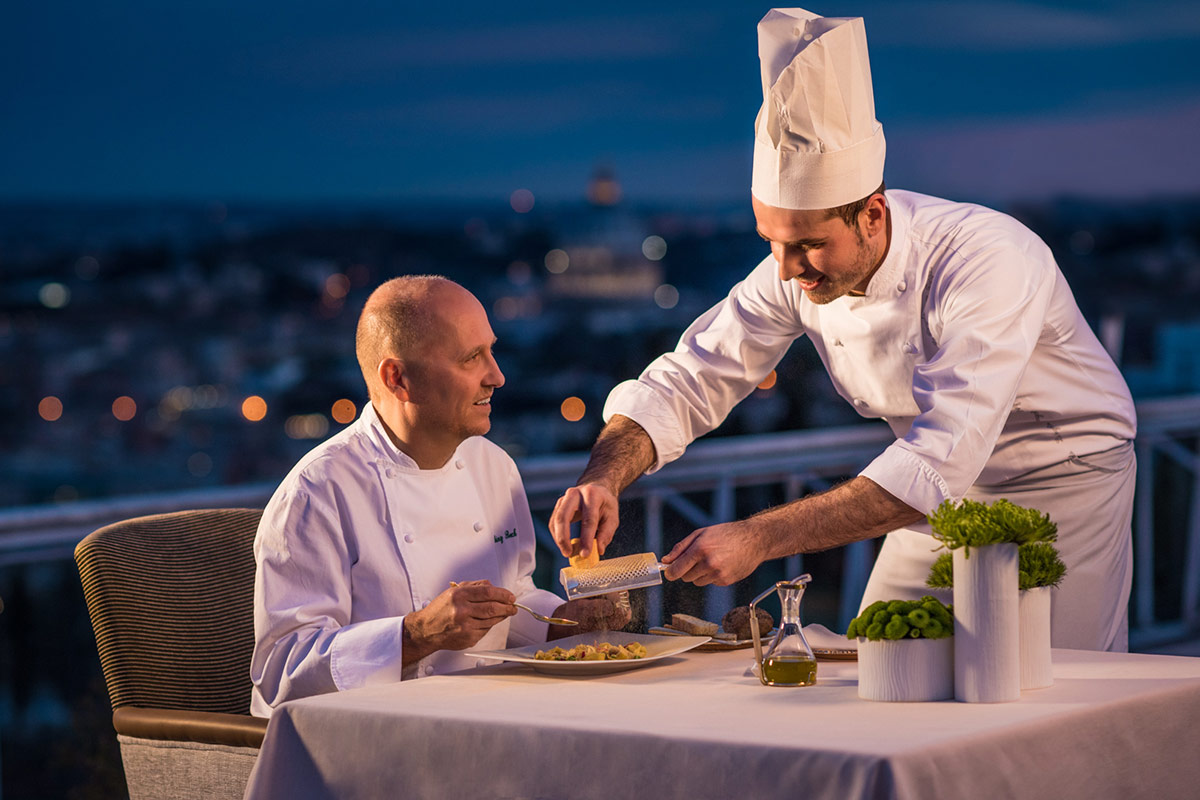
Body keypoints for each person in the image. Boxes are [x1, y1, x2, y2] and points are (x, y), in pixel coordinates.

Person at [549, 8, 1136, 652]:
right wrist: (603, 476)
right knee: (881, 667)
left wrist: (759, 536)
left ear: (873, 214)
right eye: (770, 240)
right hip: (927, 495)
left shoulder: (986, 258)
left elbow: (938, 463)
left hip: (1062, 481)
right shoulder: (791, 270)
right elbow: (690, 379)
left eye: (807, 245)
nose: (786, 268)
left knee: (1054, 689)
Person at [251, 275, 628, 716]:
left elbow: (513, 595)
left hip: (485, 716)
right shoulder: (318, 492)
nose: (497, 376)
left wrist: (564, 622)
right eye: (472, 358)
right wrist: (416, 635)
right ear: (398, 378)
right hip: (363, 747)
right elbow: (282, 671)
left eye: (492, 350)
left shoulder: (494, 467)